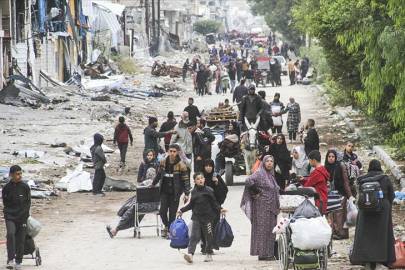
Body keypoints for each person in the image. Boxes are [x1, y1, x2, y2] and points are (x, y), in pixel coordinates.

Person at [351, 160, 395, 270]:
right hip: (382, 211)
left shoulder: (362, 180)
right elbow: (391, 195)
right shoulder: (385, 178)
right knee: (381, 236)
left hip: (365, 211)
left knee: (365, 237)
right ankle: (380, 263)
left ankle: (367, 263)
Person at [178, 172, 227, 264]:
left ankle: (208, 253)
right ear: (194, 181)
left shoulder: (209, 190)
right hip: (197, 217)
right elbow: (191, 205)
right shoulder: (194, 192)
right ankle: (190, 254)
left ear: (204, 179)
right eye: (198, 179)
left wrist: (220, 209)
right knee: (194, 236)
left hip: (208, 218)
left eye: (201, 178)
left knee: (208, 236)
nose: (200, 180)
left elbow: (213, 203)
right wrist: (182, 210)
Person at [240, 155, 280, 261]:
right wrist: (256, 191)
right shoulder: (260, 173)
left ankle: (268, 253)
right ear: (263, 163)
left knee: (271, 230)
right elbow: (248, 180)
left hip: (271, 207)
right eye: (267, 161)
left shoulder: (270, 174)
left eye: (272, 161)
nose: (270, 163)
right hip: (262, 207)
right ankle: (263, 254)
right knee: (263, 230)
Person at [150, 144, 190, 239]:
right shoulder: (163, 162)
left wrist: (187, 193)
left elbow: (185, 180)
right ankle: (167, 226)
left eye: (174, 152)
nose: (172, 153)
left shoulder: (181, 165)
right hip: (164, 191)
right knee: (162, 211)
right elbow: (159, 174)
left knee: (172, 213)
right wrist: (153, 183)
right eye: (170, 151)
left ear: (177, 153)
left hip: (175, 192)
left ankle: (169, 230)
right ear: (168, 151)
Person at [106, 168, 160, 238]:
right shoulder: (159, 184)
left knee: (131, 212)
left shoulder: (144, 184)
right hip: (155, 206)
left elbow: (139, 197)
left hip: (142, 207)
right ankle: (117, 229)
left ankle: (115, 230)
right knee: (136, 212)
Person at [3, 165, 31, 269]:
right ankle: (10, 259)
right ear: (11, 175)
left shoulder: (25, 187)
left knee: (20, 239)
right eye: (17, 174)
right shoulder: (6, 188)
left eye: (20, 174)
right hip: (10, 215)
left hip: (22, 216)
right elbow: (5, 202)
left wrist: (25, 214)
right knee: (10, 235)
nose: (19, 176)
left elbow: (28, 202)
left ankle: (18, 261)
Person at [324, 149, 353, 240]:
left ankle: (340, 233)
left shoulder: (340, 167)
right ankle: (331, 232)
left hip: (339, 193)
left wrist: (349, 195)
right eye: (329, 157)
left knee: (339, 215)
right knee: (330, 214)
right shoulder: (324, 168)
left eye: (333, 157)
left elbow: (345, 182)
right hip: (329, 194)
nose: (331, 158)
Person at [200, 159, 228, 253]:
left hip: (214, 206)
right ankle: (204, 246)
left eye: (210, 166)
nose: (208, 168)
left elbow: (223, 190)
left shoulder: (216, 177)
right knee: (204, 226)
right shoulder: (200, 177)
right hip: (203, 206)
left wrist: (217, 184)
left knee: (213, 226)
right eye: (206, 166)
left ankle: (211, 246)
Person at [296, 150, 329, 214]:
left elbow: (306, 187)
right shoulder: (322, 169)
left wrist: (296, 190)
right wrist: (304, 179)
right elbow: (315, 182)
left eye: (310, 160)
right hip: (323, 199)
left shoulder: (317, 172)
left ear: (314, 160)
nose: (309, 162)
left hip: (319, 201)